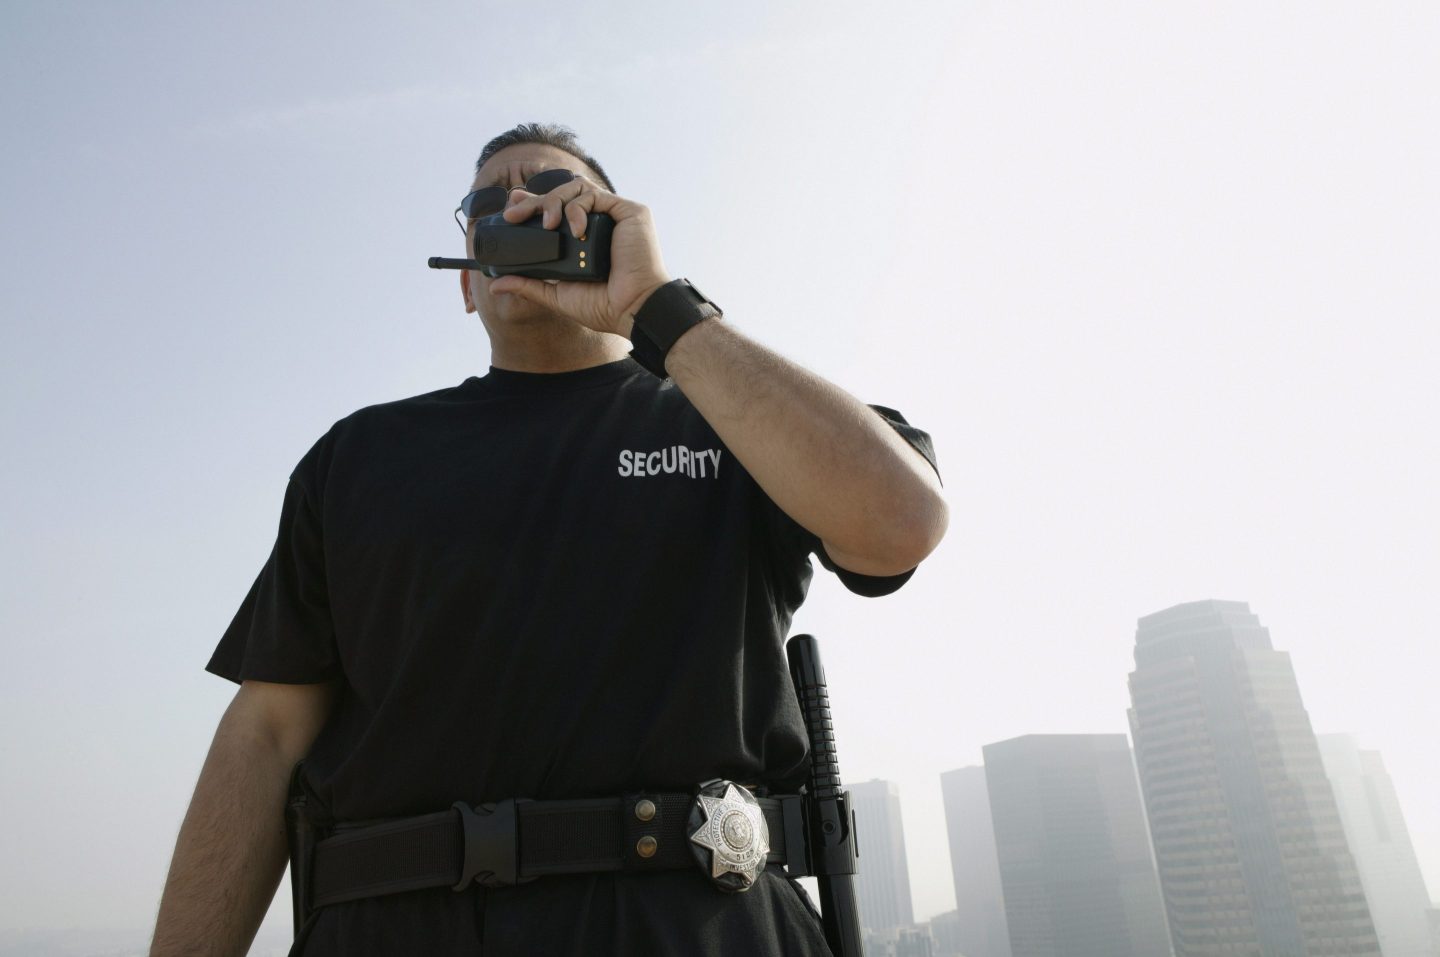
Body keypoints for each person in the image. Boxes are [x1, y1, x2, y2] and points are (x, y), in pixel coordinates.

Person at [149, 123, 947, 957]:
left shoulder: (738, 418)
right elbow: (266, 732)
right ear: (466, 280)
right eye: (488, 206)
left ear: (612, 227)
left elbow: (900, 524)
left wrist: (658, 308)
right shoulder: (356, 459)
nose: (519, 207)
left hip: (696, 926)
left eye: (557, 197)